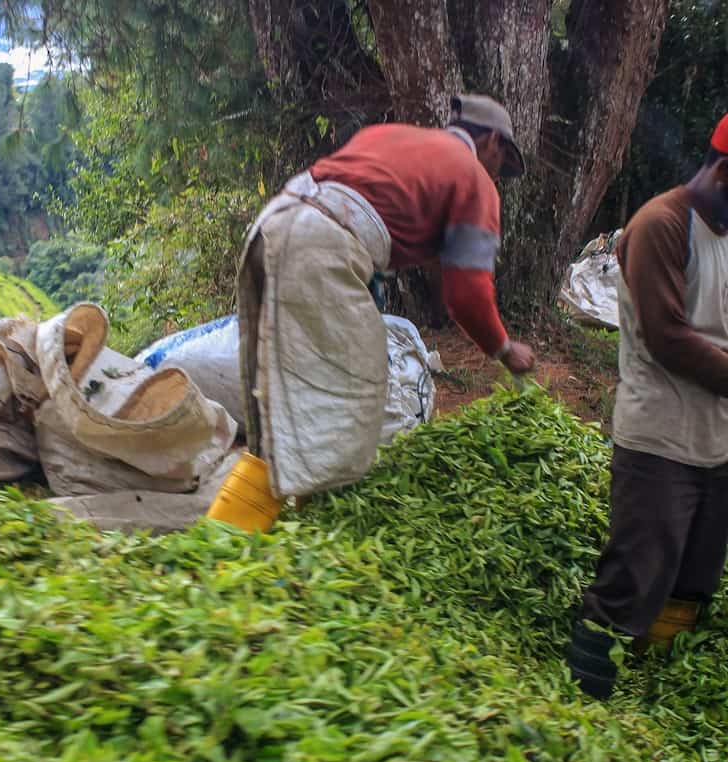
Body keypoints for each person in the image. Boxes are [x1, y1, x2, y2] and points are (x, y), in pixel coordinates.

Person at [236, 94, 535, 501]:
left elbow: (373, 208)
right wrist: (504, 348)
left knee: (273, 381)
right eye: (501, 164)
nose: (496, 176)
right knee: (352, 390)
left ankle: (251, 509)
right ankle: (324, 515)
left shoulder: (393, 137)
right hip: (319, 245)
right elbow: (467, 295)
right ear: (492, 142)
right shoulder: (474, 179)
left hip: (273, 224)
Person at [567, 113, 728, 700]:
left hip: (717, 440)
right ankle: (585, 697)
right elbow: (668, 337)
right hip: (660, 438)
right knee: (636, 574)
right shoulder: (662, 224)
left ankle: (653, 698)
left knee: (693, 578)